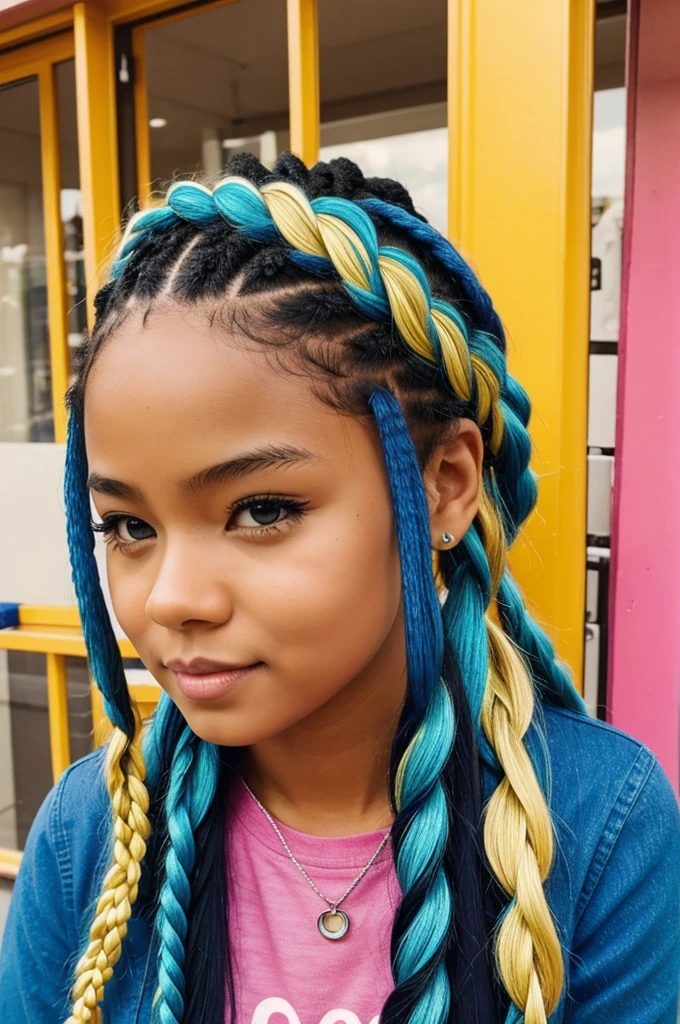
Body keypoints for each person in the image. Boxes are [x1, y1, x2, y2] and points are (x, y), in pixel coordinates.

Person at [0, 153, 678, 1024]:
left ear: (445, 484)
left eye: (263, 509)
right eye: (129, 527)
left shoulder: (599, 824)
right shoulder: (87, 838)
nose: (170, 598)